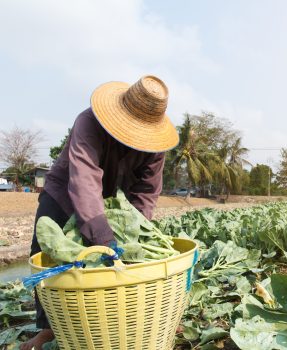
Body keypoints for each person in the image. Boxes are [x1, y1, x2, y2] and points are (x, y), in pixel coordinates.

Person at [21, 75, 179, 350]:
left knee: (124, 260)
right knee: (46, 251)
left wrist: (133, 237)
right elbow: (84, 180)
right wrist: (105, 241)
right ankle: (48, 328)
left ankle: (130, 317)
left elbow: (145, 192)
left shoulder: (154, 148)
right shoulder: (89, 122)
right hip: (66, 191)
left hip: (114, 200)